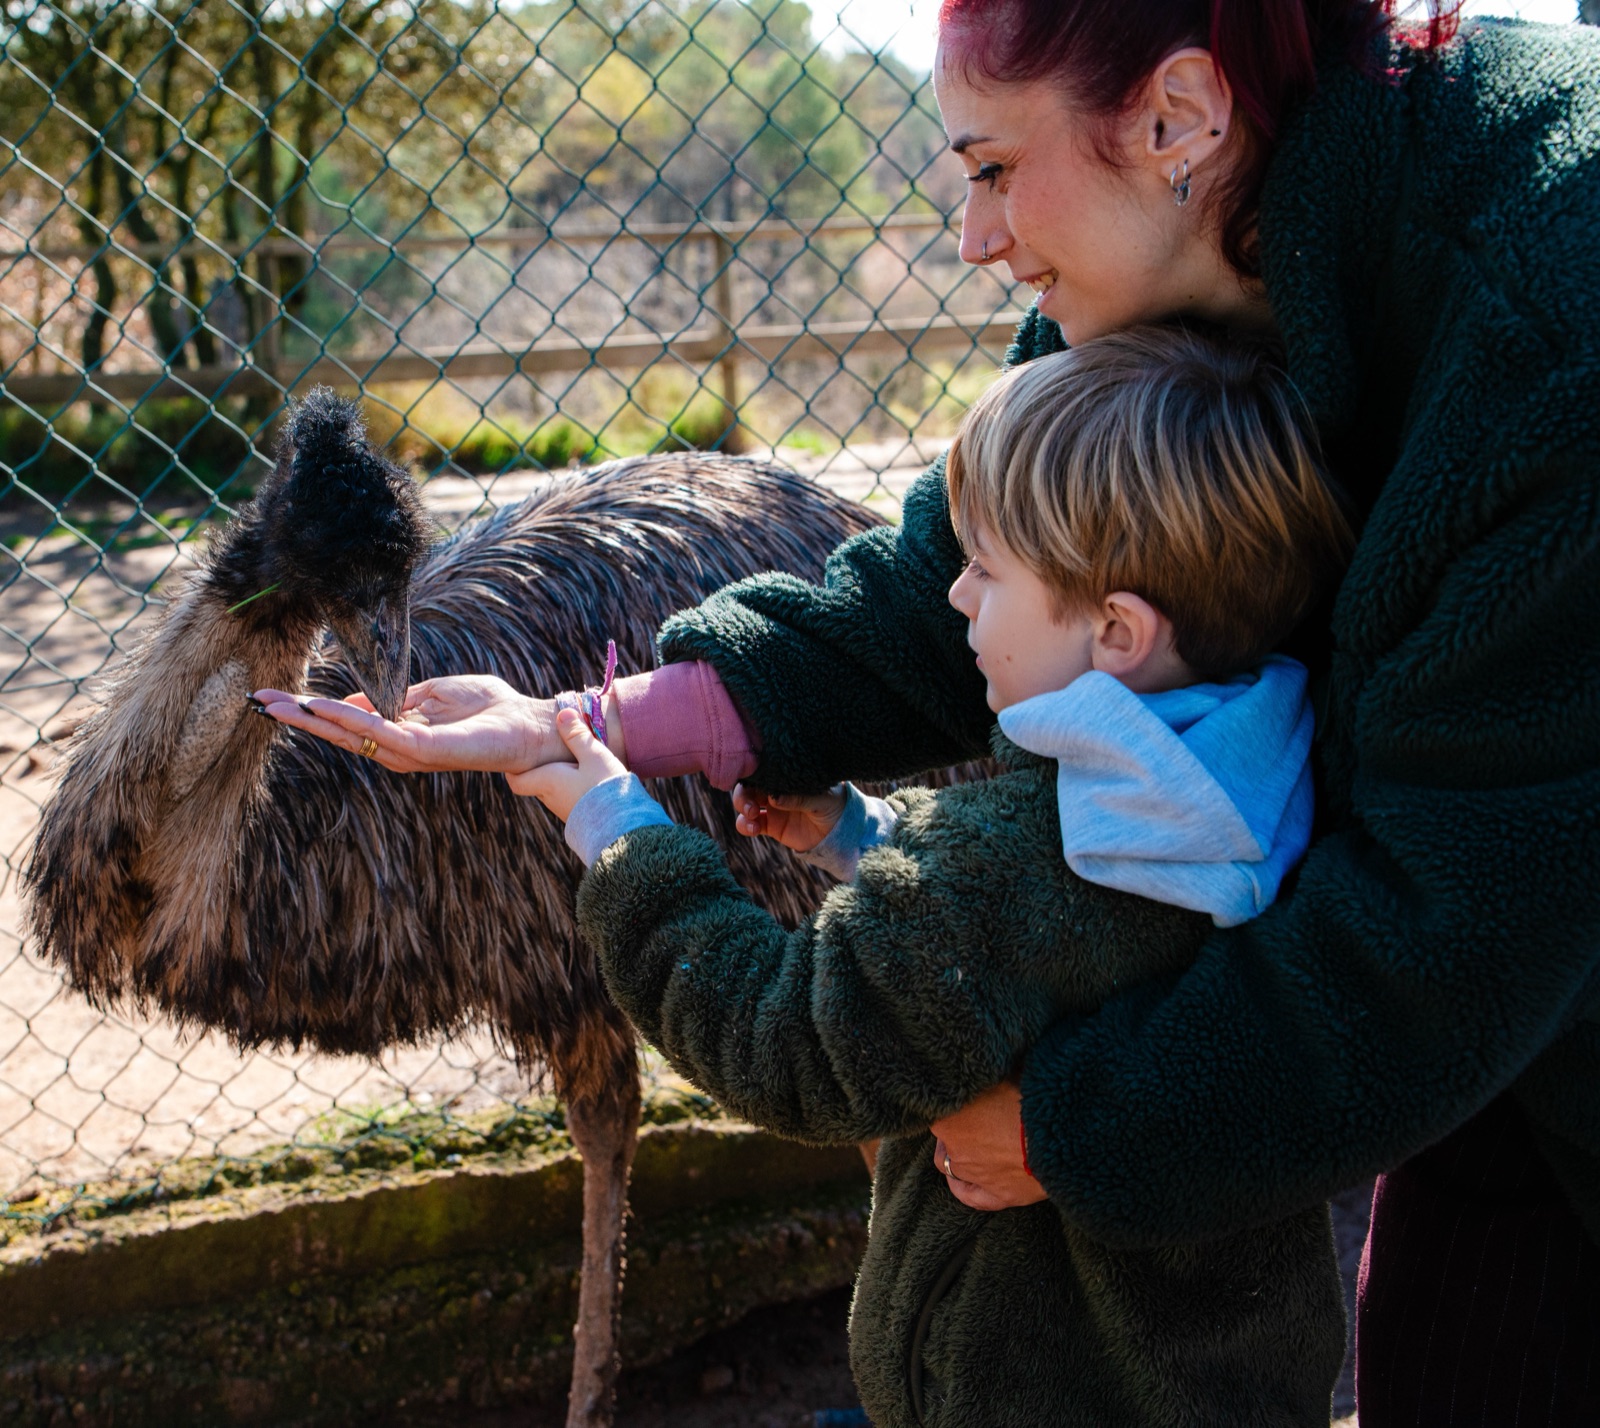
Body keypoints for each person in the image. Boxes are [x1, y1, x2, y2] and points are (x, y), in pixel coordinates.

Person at [258, 5, 1600, 1422]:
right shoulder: (1168, 248)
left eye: (993, 169)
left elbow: (1452, 926)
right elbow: (946, 590)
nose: (972, 236)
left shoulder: (1543, 322)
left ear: (1178, 115)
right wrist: (587, 719)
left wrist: (1073, 1130)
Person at [519, 327, 1353, 1427]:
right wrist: (860, 836)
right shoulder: (1250, 781)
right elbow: (1046, 949)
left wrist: (617, 832)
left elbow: (786, 1042)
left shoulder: (1002, 870)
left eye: (987, 570)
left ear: (1116, 630)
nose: (955, 594)